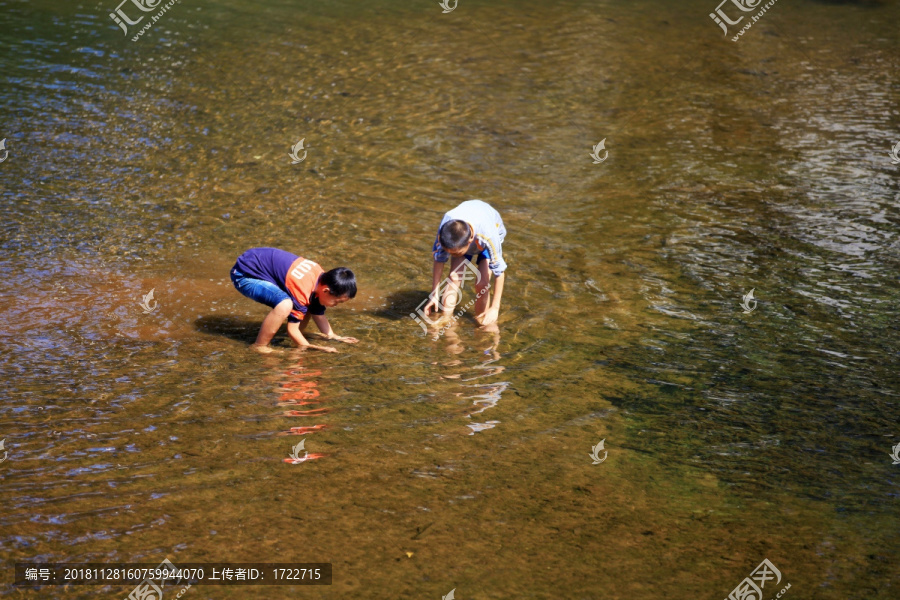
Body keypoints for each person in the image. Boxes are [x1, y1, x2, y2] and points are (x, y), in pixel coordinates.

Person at [230, 247, 358, 354]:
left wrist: (333, 336)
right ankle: (259, 345)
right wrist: (311, 347)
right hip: (244, 274)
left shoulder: (321, 278)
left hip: (256, 261)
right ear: (326, 290)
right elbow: (292, 329)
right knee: (285, 305)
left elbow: (317, 312)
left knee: (310, 303)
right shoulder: (302, 290)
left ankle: (299, 336)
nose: (336, 305)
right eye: (337, 301)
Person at [423, 199, 507, 326]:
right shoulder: (445, 230)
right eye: (450, 252)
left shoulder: (488, 235)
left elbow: (499, 272)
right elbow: (439, 259)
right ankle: (446, 320)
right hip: (462, 237)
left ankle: (482, 320)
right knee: (454, 277)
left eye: (456, 254)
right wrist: (434, 294)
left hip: (488, 231)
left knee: (482, 283)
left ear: (470, 240)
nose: (453, 256)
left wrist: (495, 308)